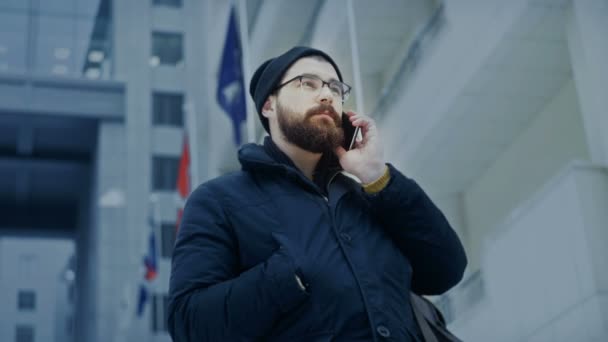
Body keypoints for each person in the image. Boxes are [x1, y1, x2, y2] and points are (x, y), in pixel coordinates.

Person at [168, 46, 467, 342]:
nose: (326, 96)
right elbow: (189, 323)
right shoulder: (218, 200)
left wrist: (377, 176)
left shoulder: (371, 195)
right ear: (268, 105)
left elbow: (446, 270)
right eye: (307, 83)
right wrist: (289, 275)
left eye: (335, 89)